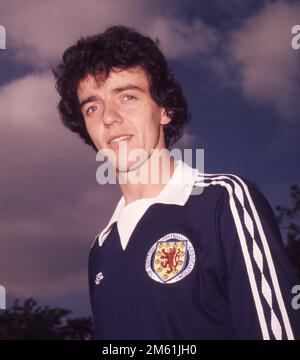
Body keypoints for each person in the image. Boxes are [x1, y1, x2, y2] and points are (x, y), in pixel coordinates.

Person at [53, 25, 300, 340]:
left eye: (127, 96)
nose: (109, 117)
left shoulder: (225, 201)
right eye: (93, 106)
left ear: (164, 110)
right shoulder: (101, 249)